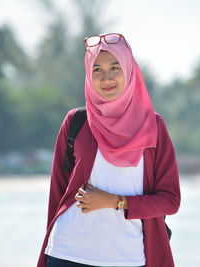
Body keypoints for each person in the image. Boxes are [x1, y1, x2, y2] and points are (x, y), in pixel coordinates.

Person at [37, 33, 181, 267]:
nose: (106, 78)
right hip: (67, 253)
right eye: (97, 70)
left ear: (129, 69)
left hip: (127, 257)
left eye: (115, 67)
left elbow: (170, 200)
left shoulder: (153, 127)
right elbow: (57, 194)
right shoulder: (76, 122)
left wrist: (116, 201)